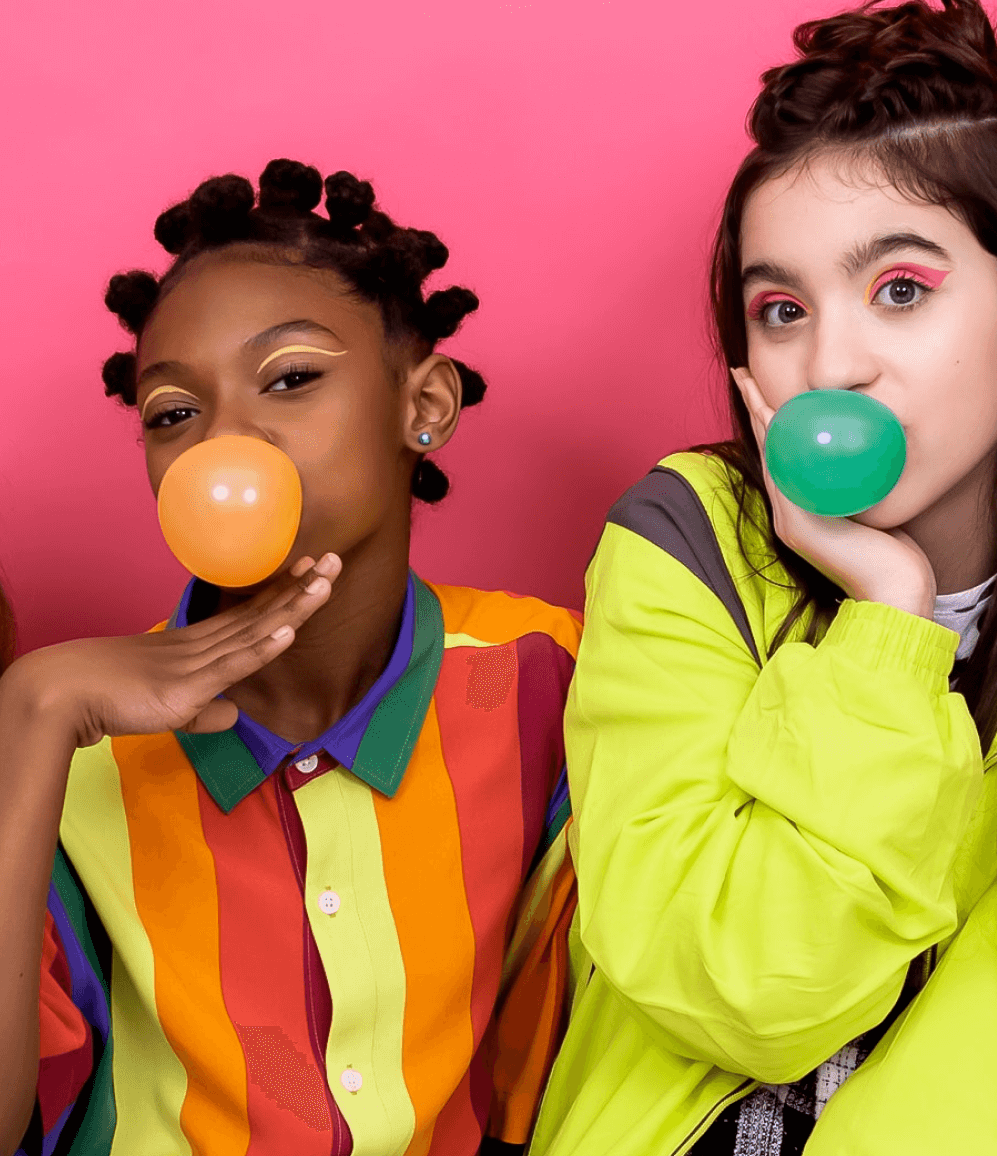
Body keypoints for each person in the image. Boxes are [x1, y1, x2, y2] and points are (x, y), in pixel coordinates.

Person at [530, 0, 997, 1156]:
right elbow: (738, 990)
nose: (832, 362)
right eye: (780, 311)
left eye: (902, 291)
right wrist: (888, 623)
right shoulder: (684, 544)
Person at [0, 159, 580, 1155]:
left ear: (424, 404)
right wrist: (30, 712)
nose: (228, 442)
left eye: (293, 379)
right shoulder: (67, 741)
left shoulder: (546, 677)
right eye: (174, 412)